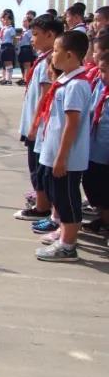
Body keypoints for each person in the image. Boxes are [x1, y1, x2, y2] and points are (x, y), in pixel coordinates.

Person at [26, 30, 93, 261]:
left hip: (67, 157)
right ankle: (63, 236)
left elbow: (72, 125)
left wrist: (62, 157)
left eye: (56, 51)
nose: (52, 56)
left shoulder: (76, 85)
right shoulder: (65, 81)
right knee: (60, 197)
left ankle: (68, 246)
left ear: (70, 56)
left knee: (67, 199)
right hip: (55, 152)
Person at [13, 15, 67, 223]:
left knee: (39, 168)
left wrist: (35, 125)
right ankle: (42, 203)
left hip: (39, 127)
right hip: (34, 125)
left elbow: (45, 96)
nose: (31, 39)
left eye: (35, 35)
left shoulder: (49, 62)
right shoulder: (44, 59)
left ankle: (43, 206)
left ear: (50, 35)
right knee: (36, 167)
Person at [83, 48, 109, 244]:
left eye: (105, 70)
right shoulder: (100, 84)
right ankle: (104, 220)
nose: (101, 74)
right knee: (94, 187)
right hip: (95, 148)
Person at [0, 9, 17, 85]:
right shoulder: (3, 28)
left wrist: (14, 47)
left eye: (8, 19)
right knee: (5, 63)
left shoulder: (11, 29)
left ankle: (9, 80)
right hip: (3, 47)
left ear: (11, 20)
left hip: (8, 46)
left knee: (9, 63)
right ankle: (6, 79)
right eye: (5, 19)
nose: (6, 21)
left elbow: (14, 39)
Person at [17, 12, 36, 85]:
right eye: (23, 21)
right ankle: (24, 78)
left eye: (25, 21)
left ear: (30, 22)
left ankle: (26, 79)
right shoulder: (25, 31)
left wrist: (33, 50)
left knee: (27, 65)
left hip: (27, 49)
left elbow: (32, 41)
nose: (23, 23)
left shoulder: (30, 31)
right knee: (23, 65)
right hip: (22, 49)